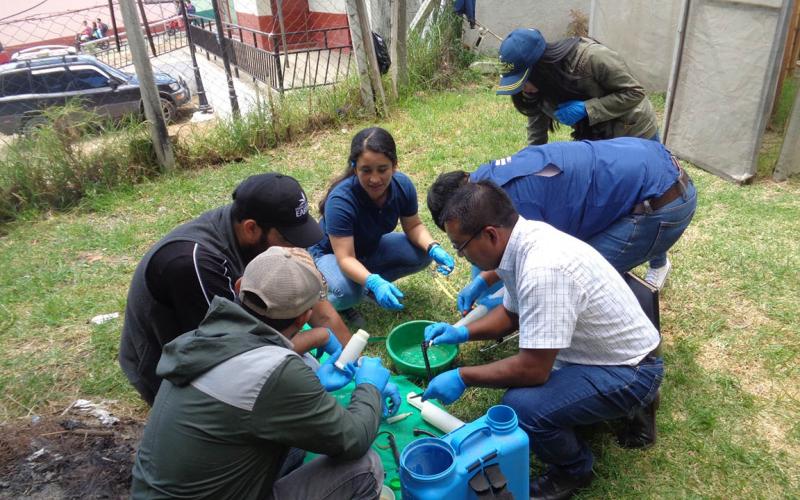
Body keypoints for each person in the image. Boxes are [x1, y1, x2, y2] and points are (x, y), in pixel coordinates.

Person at [422, 181, 663, 499]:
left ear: (490, 234)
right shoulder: (520, 241)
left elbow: (534, 370)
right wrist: (463, 333)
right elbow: (512, 315)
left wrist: (463, 376)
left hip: (631, 369)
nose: (461, 255)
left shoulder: (542, 269)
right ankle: (618, 405)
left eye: (461, 246)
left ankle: (574, 470)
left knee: (522, 407)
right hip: (611, 352)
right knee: (540, 396)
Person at [132, 246, 395, 499]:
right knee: (365, 467)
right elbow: (355, 439)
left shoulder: (202, 336)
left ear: (238, 287)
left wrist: (314, 379)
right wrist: (369, 387)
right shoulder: (277, 371)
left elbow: (247, 389)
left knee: (301, 427)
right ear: (304, 318)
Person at [119, 173, 352, 406]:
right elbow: (236, 359)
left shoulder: (255, 232)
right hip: (175, 372)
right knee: (292, 397)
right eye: (289, 239)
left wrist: (356, 362)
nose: (295, 247)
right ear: (251, 229)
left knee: (303, 371)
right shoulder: (195, 265)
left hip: (228, 343)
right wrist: (316, 337)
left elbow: (320, 309)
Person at [427, 138, 697, 303]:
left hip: (667, 203)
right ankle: (656, 254)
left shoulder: (516, 207)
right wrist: (484, 281)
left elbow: (535, 267)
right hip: (653, 162)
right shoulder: (487, 179)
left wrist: (503, 303)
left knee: (573, 281)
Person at [309, 127, 455, 324]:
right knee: (346, 292)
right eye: (366, 170)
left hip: (367, 247)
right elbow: (345, 258)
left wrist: (433, 247)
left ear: (394, 165)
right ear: (354, 168)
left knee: (420, 254)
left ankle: (364, 287)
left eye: (383, 169)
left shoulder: (402, 185)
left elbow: (413, 226)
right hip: (329, 255)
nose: (375, 179)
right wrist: (374, 282)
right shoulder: (341, 200)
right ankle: (327, 303)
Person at [497, 28, 658, 146]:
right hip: (598, 140)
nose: (523, 89)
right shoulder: (540, 87)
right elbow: (537, 124)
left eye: (524, 81)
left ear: (540, 69)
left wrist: (588, 108)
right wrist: (534, 158)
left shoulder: (592, 58)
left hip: (635, 132)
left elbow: (635, 93)